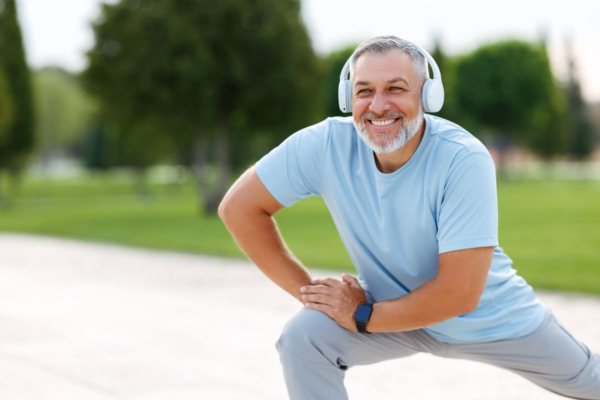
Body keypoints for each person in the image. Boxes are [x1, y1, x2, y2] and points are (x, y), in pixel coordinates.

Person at [218, 35, 600, 399]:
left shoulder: (462, 157)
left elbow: (460, 294)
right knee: (304, 339)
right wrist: (316, 297)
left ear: (428, 96)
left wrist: (363, 314)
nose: (378, 105)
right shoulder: (323, 146)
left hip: (492, 320)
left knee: (592, 382)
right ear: (348, 98)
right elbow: (239, 208)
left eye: (395, 89)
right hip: (389, 315)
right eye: (364, 90)